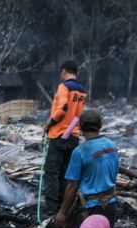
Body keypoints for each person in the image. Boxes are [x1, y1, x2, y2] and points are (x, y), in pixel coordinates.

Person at [55, 109, 120, 228]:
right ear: (100, 125)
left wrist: (62, 212)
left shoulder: (80, 151)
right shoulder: (112, 146)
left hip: (91, 208)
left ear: (80, 126)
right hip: (111, 204)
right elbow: (114, 172)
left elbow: (72, 186)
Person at [42, 61, 88, 215]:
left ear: (63, 72)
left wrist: (49, 123)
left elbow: (62, 109)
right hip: (73, 136)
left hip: (59, 134)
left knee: (51, 172)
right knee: (65, 173)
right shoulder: (82, 91)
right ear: (77, 72)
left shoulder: (64, 87)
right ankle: (64, 206)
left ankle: (50, 209)